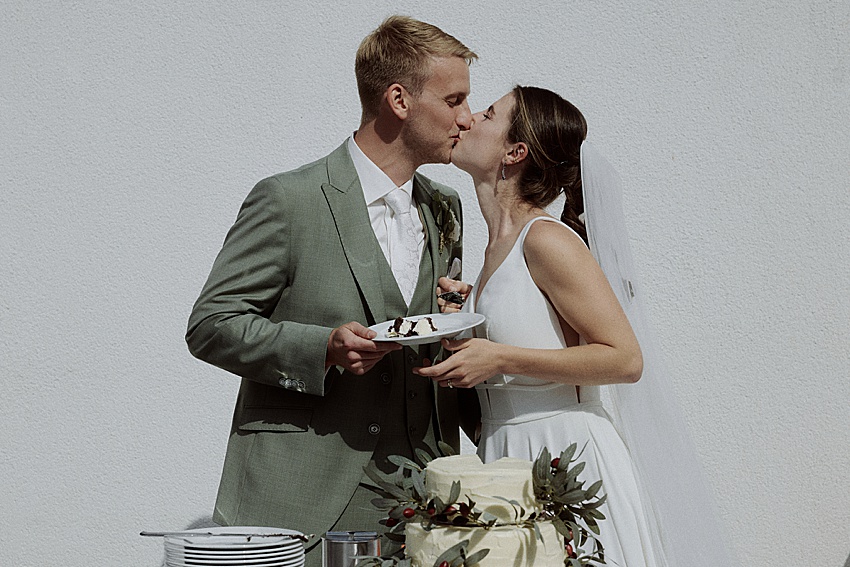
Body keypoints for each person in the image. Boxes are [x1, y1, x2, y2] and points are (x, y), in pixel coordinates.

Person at [185, 16, 480, 565]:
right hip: (310, 496)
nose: (467, 119)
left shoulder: (446, 207)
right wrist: (322, 347)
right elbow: (211, 324)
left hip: (425, 499)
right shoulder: (288, 200)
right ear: (398, 100)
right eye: (455, 99)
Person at [419, 86, 665, 566]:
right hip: (501, 462)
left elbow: (625, 358)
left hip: (563, 458)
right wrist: (460, 337)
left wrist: (501, 356)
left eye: (487, 114)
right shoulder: (493, 251)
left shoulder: (547, 240)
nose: (468, 120)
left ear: (515, 153)